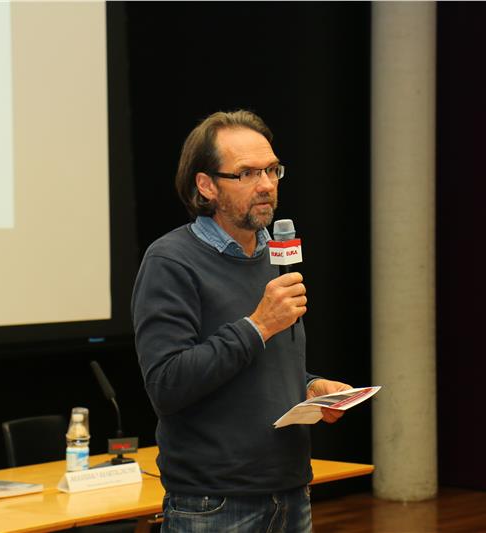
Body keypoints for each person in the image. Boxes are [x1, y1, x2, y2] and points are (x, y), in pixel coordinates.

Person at [132, 110, 351, 533]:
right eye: (247, 173)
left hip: (291, 491)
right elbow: (167, 384)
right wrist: (258, 325)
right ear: (206, 185)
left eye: (272, 170)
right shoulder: (171, 261)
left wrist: (310, 386)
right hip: (214, 503)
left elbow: (258, 366)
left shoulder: (276, 255)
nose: (266, 184)